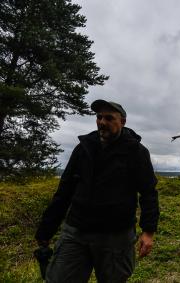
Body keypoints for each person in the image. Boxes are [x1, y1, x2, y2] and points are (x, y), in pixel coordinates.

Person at [35, 100, 159, 282]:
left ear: (123, 121)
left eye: (109, 118)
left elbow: (148, 192)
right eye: (99, 117)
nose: (102, 122)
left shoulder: (136, 152)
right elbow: (64, 192)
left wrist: (148, 231)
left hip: (116, 236)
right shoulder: (84, 148)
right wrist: (46, 231)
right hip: (77, 231)